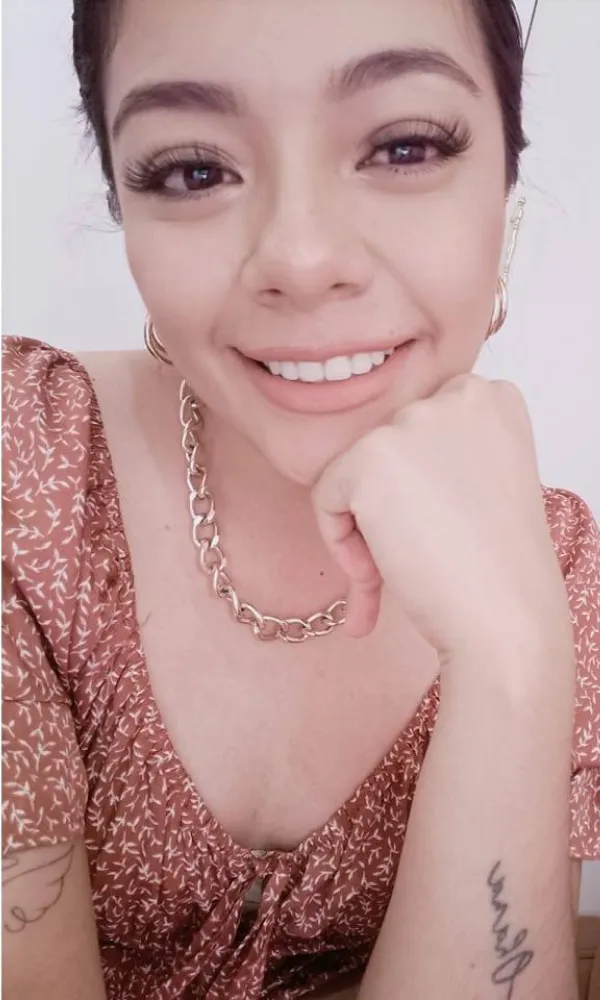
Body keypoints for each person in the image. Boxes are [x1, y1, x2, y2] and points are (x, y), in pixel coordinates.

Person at [2, 0, 599, 998]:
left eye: (404, 146)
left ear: (508, 181)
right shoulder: (25, 473)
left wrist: (510, 659)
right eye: (194, 170)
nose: (302, 259)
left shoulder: (559, 573)